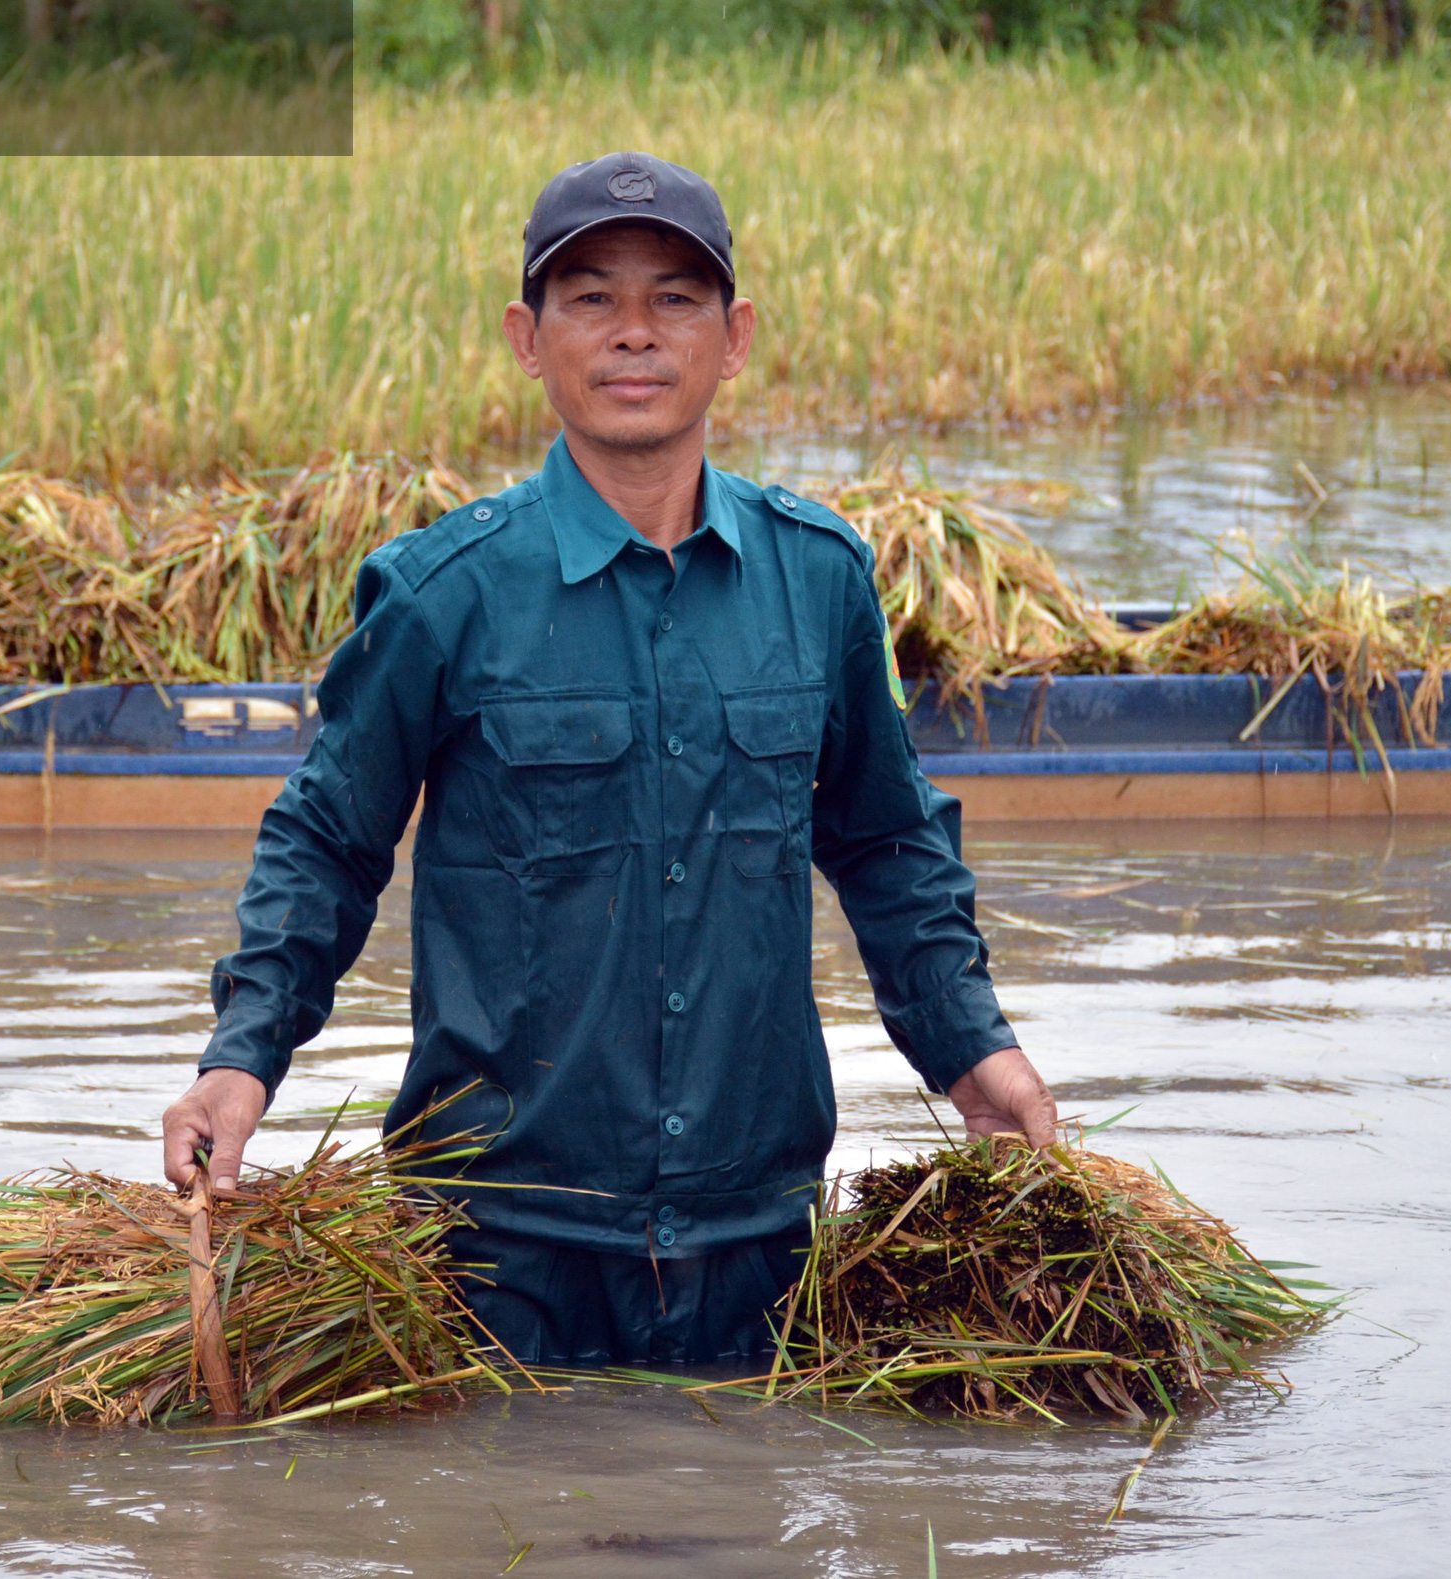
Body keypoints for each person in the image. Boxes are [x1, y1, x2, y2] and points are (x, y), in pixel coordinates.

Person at [162, 151, 1057, 1365]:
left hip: (759, 1240)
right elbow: (327, 840)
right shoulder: (443, 593)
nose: (633, 334)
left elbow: (887, 844)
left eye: (673, 299)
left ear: (733, 337)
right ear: (526, 338)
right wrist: (242, 1056)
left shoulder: (817, 579)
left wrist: (972, 1052)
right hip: (497, 1247)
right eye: (590, 298)